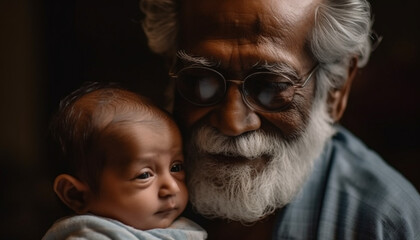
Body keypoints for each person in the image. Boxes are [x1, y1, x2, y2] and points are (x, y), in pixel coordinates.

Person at [140, 0, 420, 239]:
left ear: (336, 91)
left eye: (271, 87)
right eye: (201, 80)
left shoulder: (382, 224)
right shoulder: (116, 183)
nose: (232, 122)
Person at [43, 83, 207, 240]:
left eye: (176, 167)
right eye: (144, 175)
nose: (172, 187)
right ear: (77, 195)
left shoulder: (178, 228)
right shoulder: (92, 235)